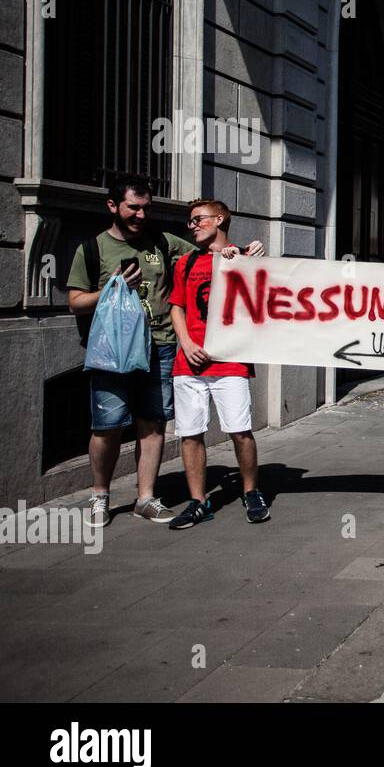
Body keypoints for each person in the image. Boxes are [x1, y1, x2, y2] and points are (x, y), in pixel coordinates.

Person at [67, 175, 262, 528]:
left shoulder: (163, 243)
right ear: (113, 206)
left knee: (153, 424)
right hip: (113, 352)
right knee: (107, 427)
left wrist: (248, 251)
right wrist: (110, 290)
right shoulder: (92, 249)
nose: (141, 215)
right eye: (133, 207)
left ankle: (146, 498)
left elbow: (212, 254)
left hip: (161, 348)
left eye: (146, 208)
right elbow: (76, 302)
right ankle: (100, 495)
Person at [168, 200, 271, 528]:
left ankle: (251, 491)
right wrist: (186, 342)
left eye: (198, 219)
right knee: (190, 433)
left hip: (230, 363)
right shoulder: (184, 263)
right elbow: (177, 307)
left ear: (220, 219)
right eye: (191, 221)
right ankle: (198, 501)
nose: (193, 225)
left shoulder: (244, 257)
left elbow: (267, 293)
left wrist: (253, 259)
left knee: (240, 431)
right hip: (190, 363)